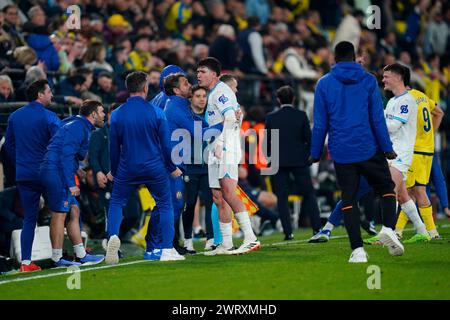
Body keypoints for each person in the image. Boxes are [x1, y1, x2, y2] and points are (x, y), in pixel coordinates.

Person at [310, 41, 403, 263]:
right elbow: (376, 119)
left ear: (334, 59)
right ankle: (388, 228)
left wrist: (315, 153)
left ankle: (358, 251)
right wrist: (387, 148)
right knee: (386, 188)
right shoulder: (369, 80)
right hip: (369, 146)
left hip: (342, 151)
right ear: (354, 58)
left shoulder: (323, 84)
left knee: (349, 198)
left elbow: (320, 123)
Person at [106, 71, 183, 264]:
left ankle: (112, 238)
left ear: (128, 88)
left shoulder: (116, 115)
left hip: (127, 167)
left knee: (116, 203)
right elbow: (166, 145)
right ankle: (166, 249)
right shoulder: (156, 112)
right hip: (154, 167)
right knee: (165, 205)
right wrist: (171, 166)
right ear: (145, 88)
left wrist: (113, 171)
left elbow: (113, 148)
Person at [196, 57, 260, 255]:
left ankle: (250, 237)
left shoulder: (222, 91)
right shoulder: (214, 93)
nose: (198, 75)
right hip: (215, 149)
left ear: (215, 74)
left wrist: (221, 144)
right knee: (217, 196)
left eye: (203, 71)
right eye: (197, 71)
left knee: (229, 192)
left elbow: (230, 118)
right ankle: (226, 243)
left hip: (225, 149)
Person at [40, 100, 106, 267]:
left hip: (56, 170)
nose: (104, 115)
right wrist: (71, 183)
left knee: (74, 210)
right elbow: (65, 156)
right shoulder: (78, 127)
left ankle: (81, 254)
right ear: (93, 114)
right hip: (57, 172)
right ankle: (57, 258)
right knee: (59, 213)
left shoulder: (74, 122)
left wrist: (77, 170)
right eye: (101, 111)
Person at [4, 79, 60, 272]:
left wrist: (20, 162)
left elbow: (8, 146)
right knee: (60, 212)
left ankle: (26, 263)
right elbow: (60, 143)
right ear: (40, 95)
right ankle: (60, 256)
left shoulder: (15, 116)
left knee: (29, 218)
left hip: (24, 173)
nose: (52, 95)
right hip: (46, 172)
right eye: (49, 91)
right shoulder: (49, 116)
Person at [265, 85, 321, 240]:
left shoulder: (271, 117)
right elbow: (309, 140)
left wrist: (271, 159)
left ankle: (288, 232)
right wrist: (309, 157)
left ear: (278, 100)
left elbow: (266, 144)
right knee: (309, 194)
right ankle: (316, 228)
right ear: (294, 99)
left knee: (282, 197)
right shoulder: (301, 115)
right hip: (299, 161)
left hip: (278, 162)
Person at [182, 85, 215, 251]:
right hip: (190, 167)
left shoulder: (210, 116)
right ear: (191, 98)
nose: (202, 99)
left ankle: (210, 239)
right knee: (189, 203)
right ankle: (187, 239)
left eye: (204, 96)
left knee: (210, 203)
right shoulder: (185, 117)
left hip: (208, 166)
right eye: (198, 96)